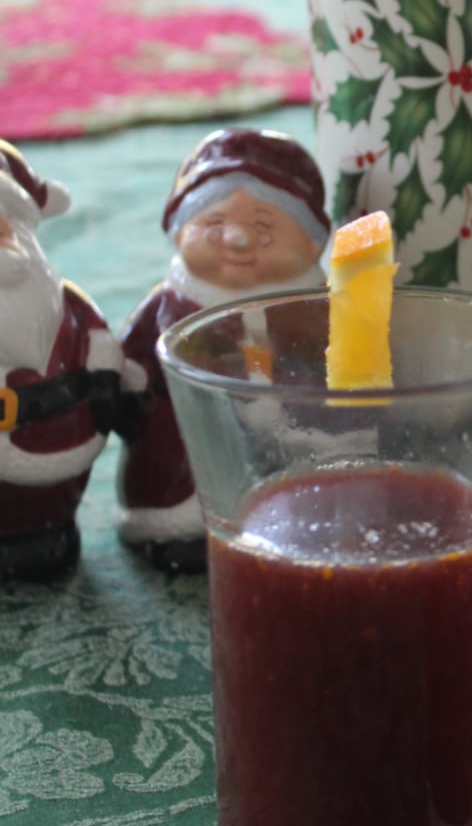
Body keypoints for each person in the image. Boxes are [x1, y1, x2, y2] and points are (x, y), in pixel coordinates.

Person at [118, 127, 331, 572]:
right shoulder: (172, 305)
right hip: (189, 440)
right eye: (214, 225)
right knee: (180, 457)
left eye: (264, 228)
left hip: (294, 433)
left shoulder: (313, 311)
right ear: (180, 233)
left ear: (312, 243)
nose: (237, 240)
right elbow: (132, 360)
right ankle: (180, 536)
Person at [0, 139, 126, 581]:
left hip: (62, 443)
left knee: (46, 520)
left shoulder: (68, 305)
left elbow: (101, 347)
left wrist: (104, 383)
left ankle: (46, 534)